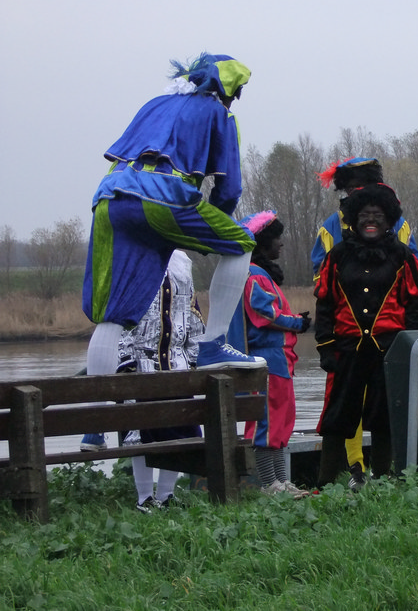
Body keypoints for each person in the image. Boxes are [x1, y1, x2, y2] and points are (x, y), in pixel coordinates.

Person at [80, 53, 263, 452]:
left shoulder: (155, 104)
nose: (236, 100)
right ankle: (213, 344)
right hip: (161, 198)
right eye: (238, 92)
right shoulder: (219, 113)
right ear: (226, 88)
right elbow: (229, 188)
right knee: (242, 244)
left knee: (113, 315)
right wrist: (214, 230)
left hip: (110, 200)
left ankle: (93, 425)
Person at [310, 156, 418, 480]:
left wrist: (412, 347)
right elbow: (324, 293)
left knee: (385, 413)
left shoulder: (400, 238)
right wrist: (327, 345)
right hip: (347, 346)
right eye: (353, 188)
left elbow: (413, 297)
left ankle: (381, 476)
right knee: (340, 413)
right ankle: (342, 472)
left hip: (388, 346)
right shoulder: (332, 235)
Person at [228, 211, 312, 498]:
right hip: (266, 358)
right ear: (263, 242)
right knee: (267, 420)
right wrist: (297, 323)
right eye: (276, 238)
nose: (281, 243)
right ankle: (269, 484)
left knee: (283, 420)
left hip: (280, 358)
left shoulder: (261, 275)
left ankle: (282, 482)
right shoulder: (253, 274)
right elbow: (265, 315)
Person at [116, 250, 203, 512]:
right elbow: (119, 317)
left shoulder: (182, 262)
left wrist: (193, 358)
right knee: (140, 435)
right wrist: (126, 361)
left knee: (176, 431)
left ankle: (165, 495)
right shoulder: (131, 257)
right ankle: (144, 497)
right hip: (140, 365)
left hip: (177, 364)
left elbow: (192, 311)